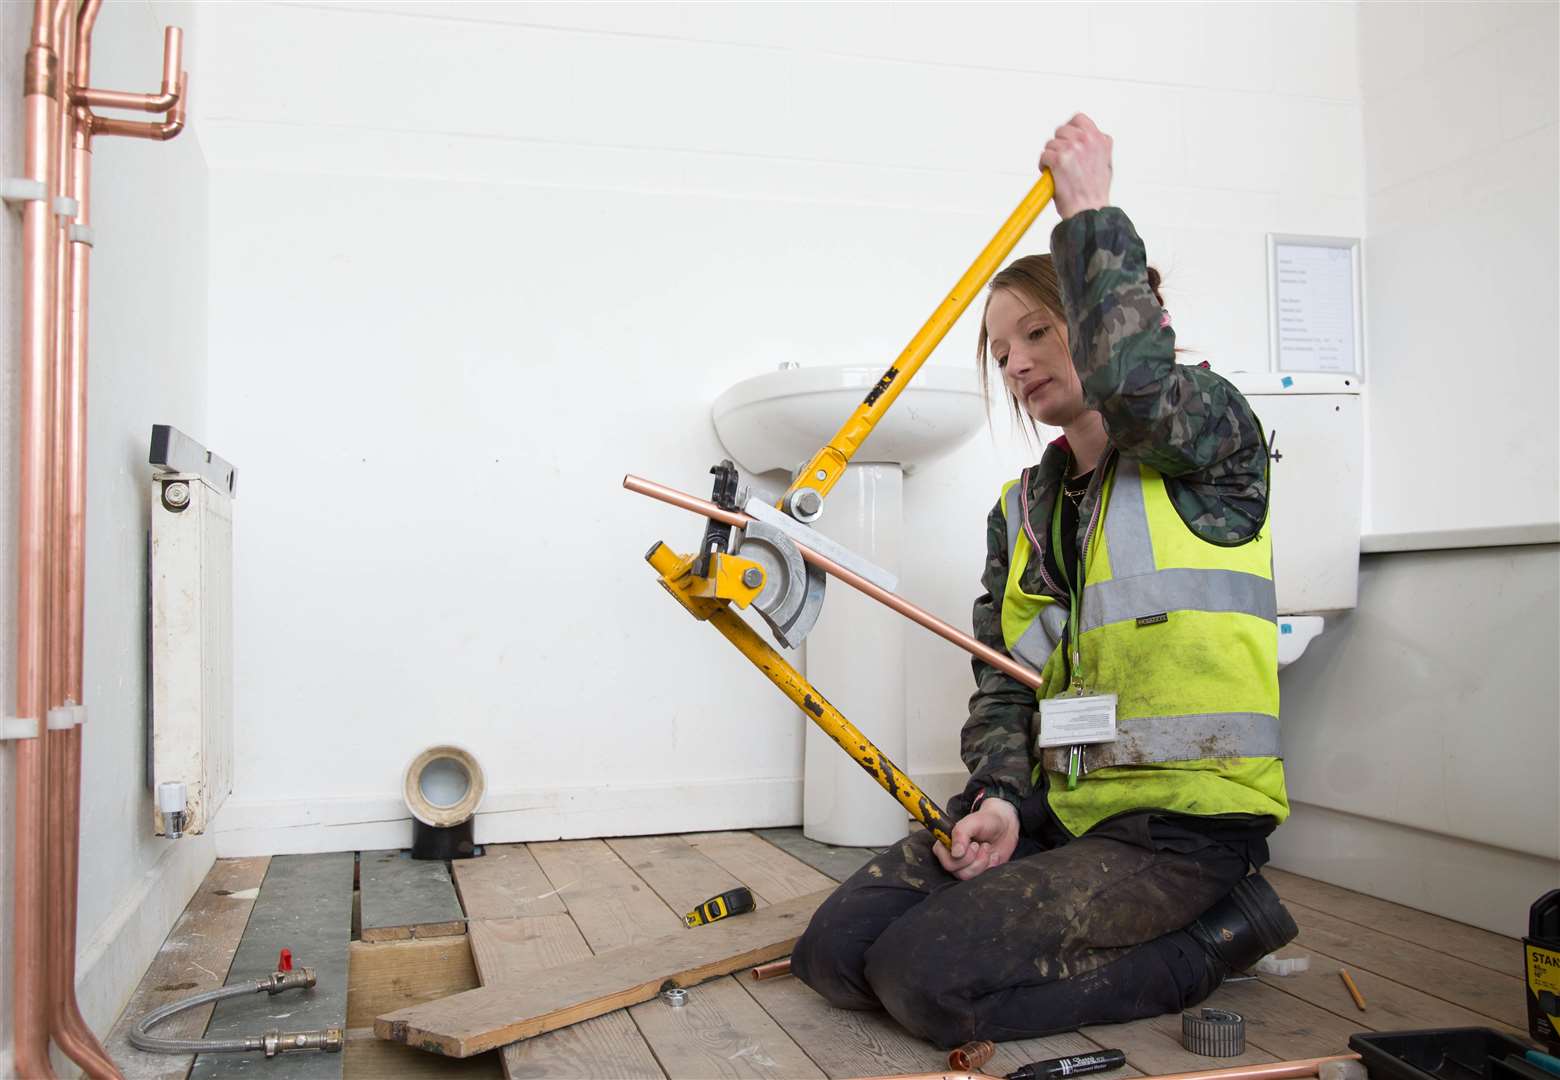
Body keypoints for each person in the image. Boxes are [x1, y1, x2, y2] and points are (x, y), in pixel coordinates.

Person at [789, 114, 1299, 1049]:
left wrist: (1090, 211)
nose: (1017, 363)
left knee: (925, 983)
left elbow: (1137, 390)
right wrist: (998, 798)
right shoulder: (1023, 508)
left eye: (1037, 331)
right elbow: (1002, 678)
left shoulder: (1212, 440)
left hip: (1183, 825)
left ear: (1104, 321)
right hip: (1066, 811)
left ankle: (1225, 932)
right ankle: (1046, 879)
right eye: (1000, 350)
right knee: (833, 956)